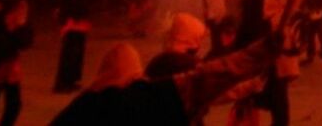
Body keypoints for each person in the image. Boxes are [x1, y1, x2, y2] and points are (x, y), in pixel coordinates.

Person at [51, 37, 277, 125]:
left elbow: (211, 90)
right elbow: (205, 81)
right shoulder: (139, 101)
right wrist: (259, 53)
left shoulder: (83, 106)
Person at [53, 0, 96, 94]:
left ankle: (72, 80)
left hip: (81, 18)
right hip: (72, 18)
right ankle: (62, 82)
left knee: (78, 52)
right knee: (69, 52)